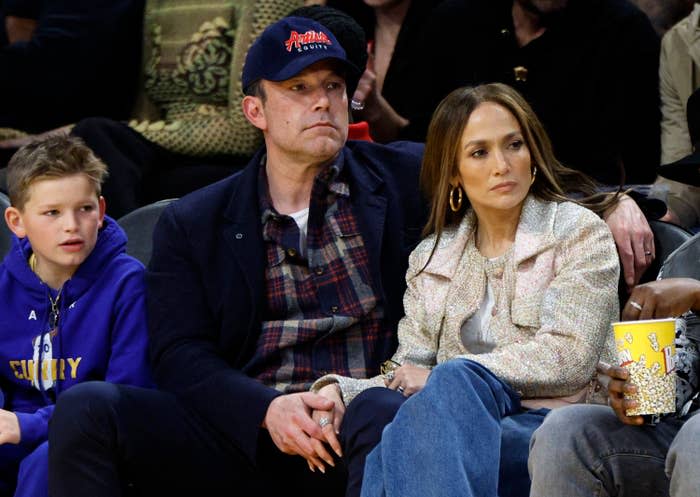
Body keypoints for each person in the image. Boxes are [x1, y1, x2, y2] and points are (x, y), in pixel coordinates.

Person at [47, 16, 426, 497]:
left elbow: (507, 170)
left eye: (333, 85)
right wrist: (265, 409)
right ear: (255, 110)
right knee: (87, 410)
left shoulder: (408, 179)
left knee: (384, 414)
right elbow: (179, 354)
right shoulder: (196, 221)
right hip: (252, 434)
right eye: (298, 87)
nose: (322, 101)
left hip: (364, 419)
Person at [316, 82, 620, 497]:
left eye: (513, 145)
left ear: (532, 153)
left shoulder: (578, 233)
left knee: (411, 433)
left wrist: (449, 379)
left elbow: (569, 359)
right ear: (454, 172)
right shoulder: (434, 255)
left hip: (552, 422)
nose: (502, 165)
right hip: (451, 425)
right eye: (480, 152)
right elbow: (408, 369)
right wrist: (339, 390)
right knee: (376, 411)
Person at [0, 136, 152, 497]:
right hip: (15, 434)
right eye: (52, 212)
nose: (71, 225)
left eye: (84, 209)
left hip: (95, 439)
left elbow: (128, 399)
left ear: (101, 211)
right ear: (16, 221)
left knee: (48, 462)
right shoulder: (3, 287)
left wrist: (29, 425)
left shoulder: (129, 285)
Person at [528, 271, 700, 497]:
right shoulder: (686, 259)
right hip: (679, 434)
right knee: (565, 430)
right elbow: (682, 370)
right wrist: (632, 392)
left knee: (696, 437)